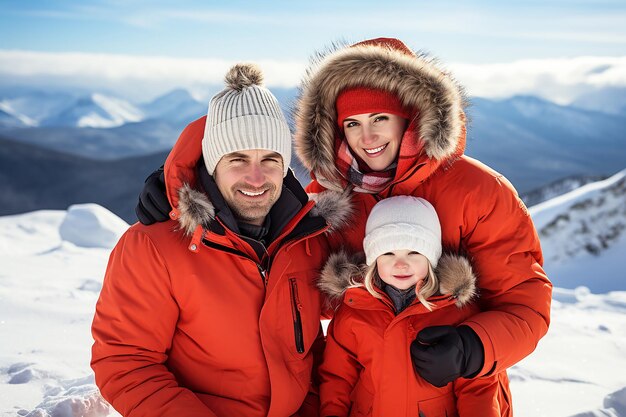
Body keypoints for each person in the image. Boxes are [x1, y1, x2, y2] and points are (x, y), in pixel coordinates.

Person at [135, 37, 552, 405]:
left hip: (459, 393)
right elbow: (277, 272)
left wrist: (473, 348)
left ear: (411, 118)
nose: (366, 138)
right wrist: (182, 191)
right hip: (364, 395)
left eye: (379, 119)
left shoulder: (477, 192)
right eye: (352, 123)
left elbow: (526, 302)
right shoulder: (327, 200)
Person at [91, 63, 353, 417]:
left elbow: (317, 344)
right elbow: (125, 363)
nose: (256, 177)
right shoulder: (152, 247)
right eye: (238, 159)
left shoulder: (305, 239)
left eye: (270, 159)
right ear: (212, 164)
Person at [317, 195, 508, 417]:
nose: (400, 263)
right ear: (373, 259)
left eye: (414, 252)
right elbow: (337, 378)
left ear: (431, 257)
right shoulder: (354, 311)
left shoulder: (456, 312)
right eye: (388, 253)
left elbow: (477, 389)